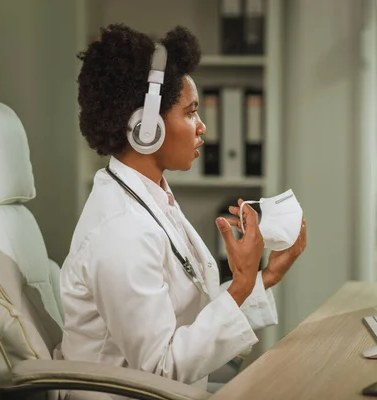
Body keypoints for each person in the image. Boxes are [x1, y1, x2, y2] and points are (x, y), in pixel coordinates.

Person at [59, 24, 306, 390]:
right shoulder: (119, 231)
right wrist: (240, 284)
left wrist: (263, 277)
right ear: (146, 129)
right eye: (191, 112)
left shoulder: (149, 198)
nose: (202, 126)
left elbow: (184, 321)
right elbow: (160, 370)